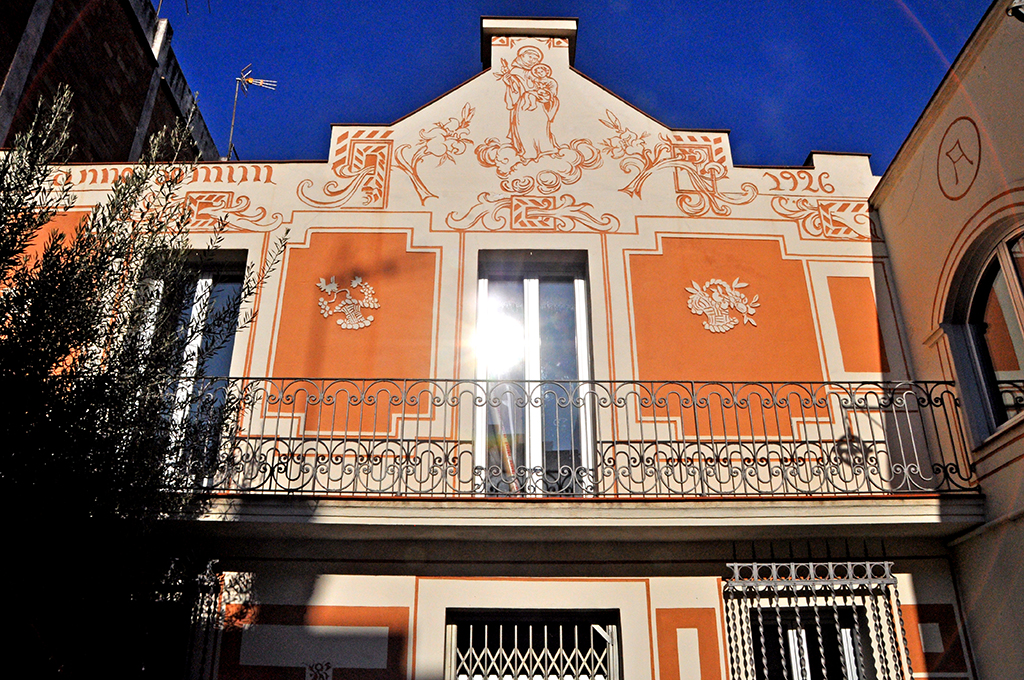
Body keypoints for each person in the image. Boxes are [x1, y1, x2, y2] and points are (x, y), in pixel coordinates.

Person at [496, 47, 559, 160]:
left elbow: (549, 92)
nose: (533, 60)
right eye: (530, 57)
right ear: (522, 56)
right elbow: (515, 89)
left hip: (538, 105)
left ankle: (545, 148)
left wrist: (542, 95)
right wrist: (509, 80)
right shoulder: (515, 71)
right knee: (523, 126)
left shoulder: (539, 75)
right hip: (523, 106)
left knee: (540, 125)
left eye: (536, 59)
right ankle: (528, 150)